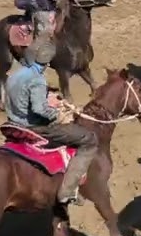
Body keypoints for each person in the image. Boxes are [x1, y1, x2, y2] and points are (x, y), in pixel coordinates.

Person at [5, 41, 96, 204]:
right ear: (48, 63)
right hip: (34, 127)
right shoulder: (38, 79)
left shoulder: (15, 74)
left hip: (13, 122)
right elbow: (40, 110)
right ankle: (67, 191)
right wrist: (57, 112)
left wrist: (48, 98)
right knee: (88, 139)